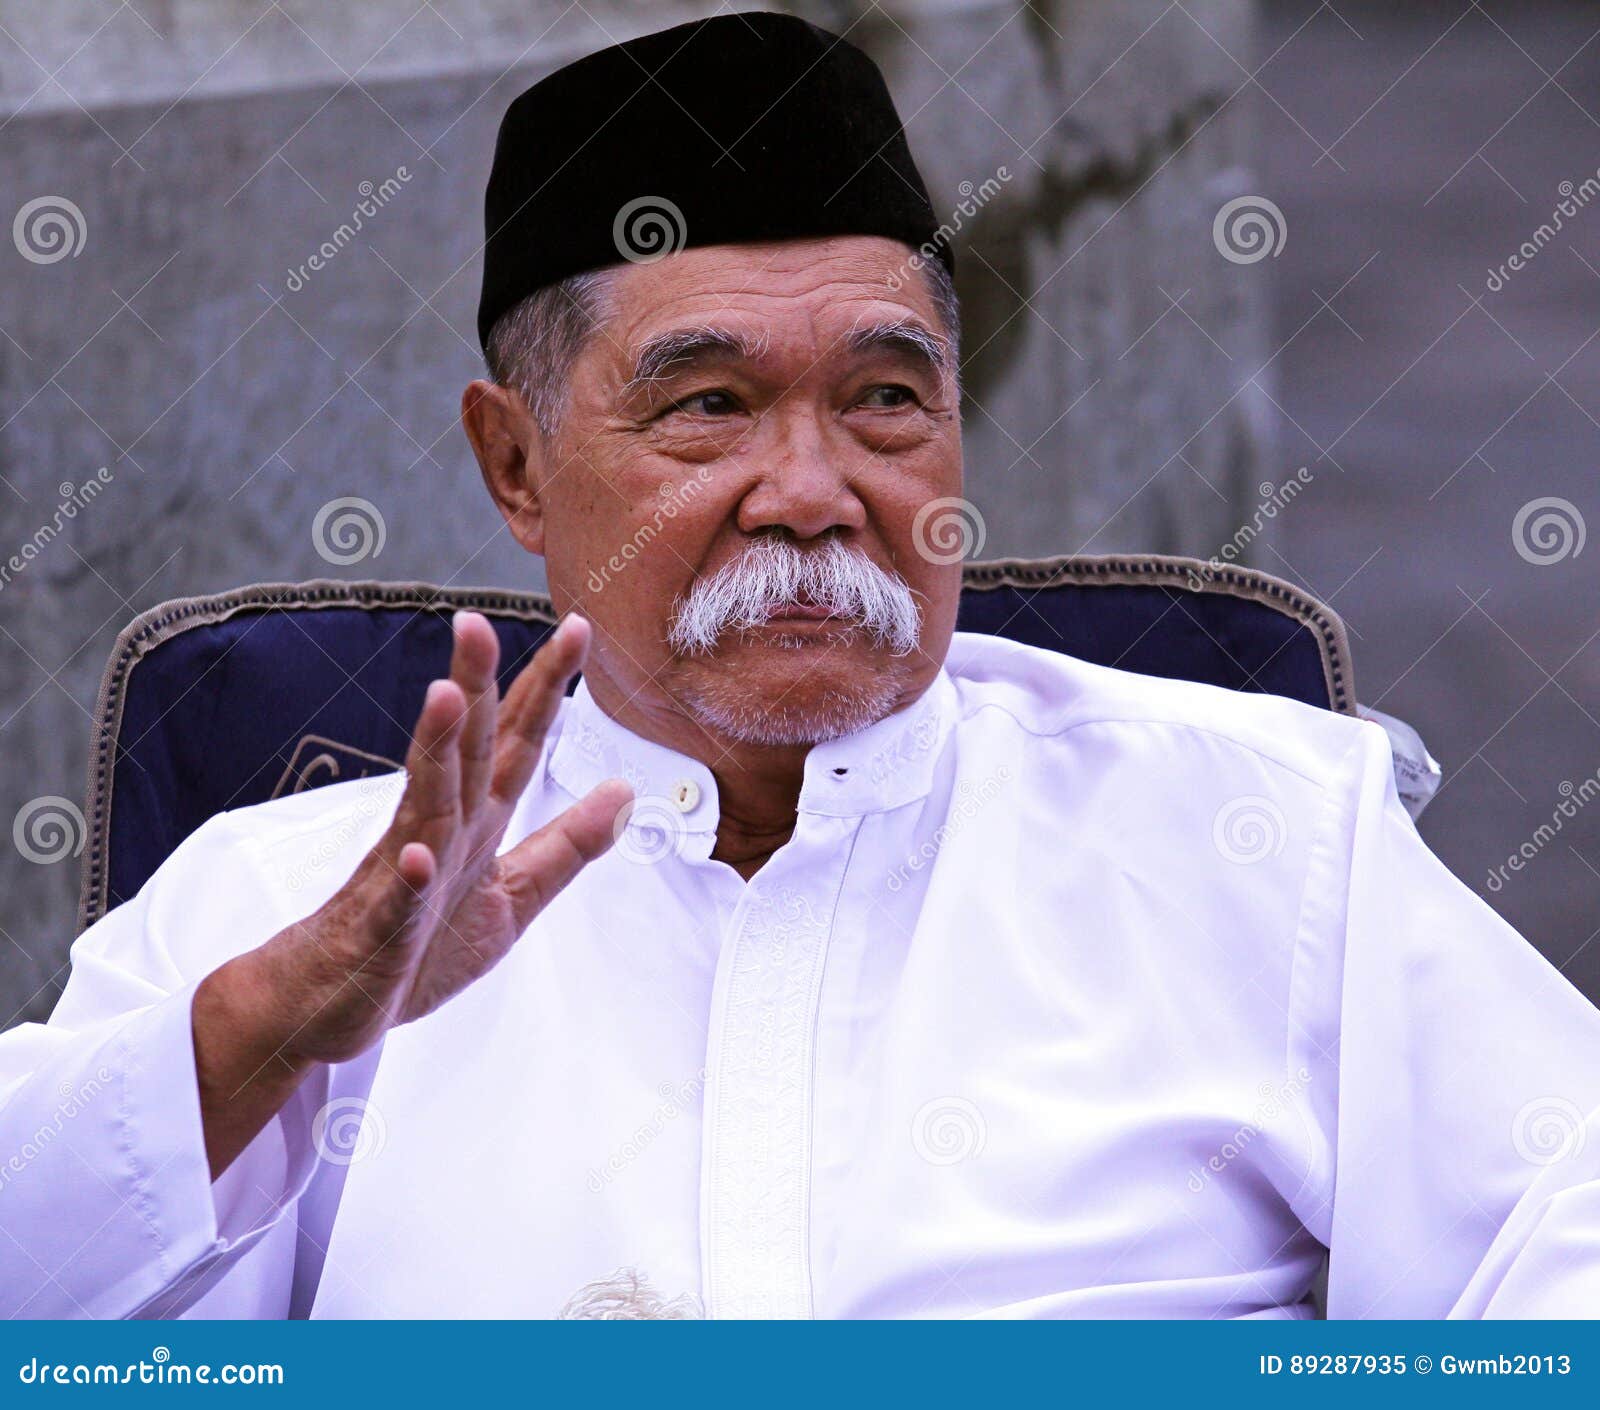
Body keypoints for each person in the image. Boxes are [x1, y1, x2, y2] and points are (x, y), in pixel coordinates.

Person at [2, 11, 1599, 1321]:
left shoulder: (1267, 841)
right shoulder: (279, 907)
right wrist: (273, 1028)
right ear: (515, 467)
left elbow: (1562, 1223)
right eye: (707, 405)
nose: (818, 488)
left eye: (886, 400)